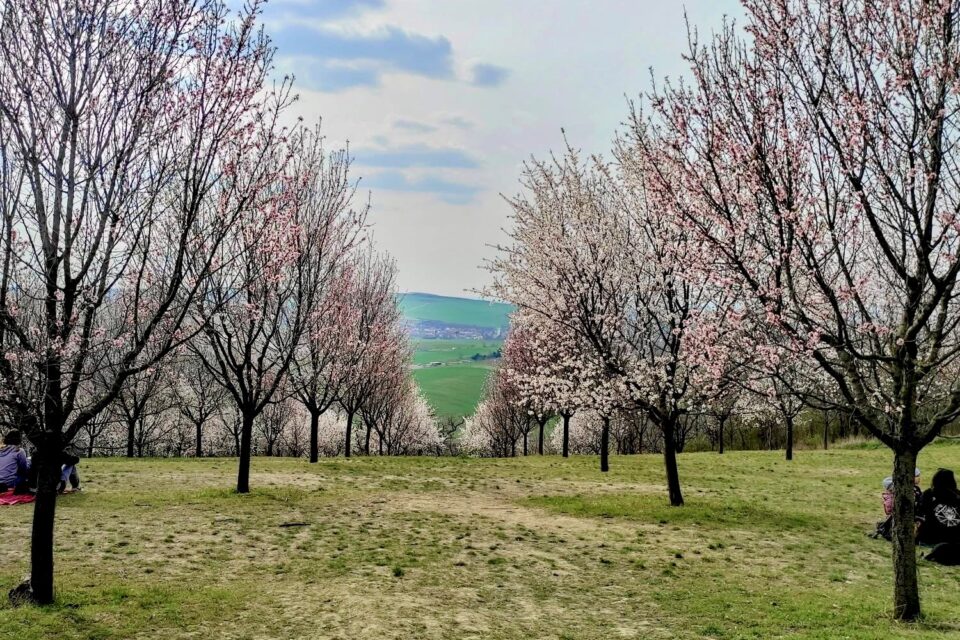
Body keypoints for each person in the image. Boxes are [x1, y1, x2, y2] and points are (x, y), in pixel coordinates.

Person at [917, 468, 960, 546]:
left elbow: (921, 511)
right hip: (954, 538)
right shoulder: (957, 494)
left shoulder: (928, 493)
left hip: (930, 537)